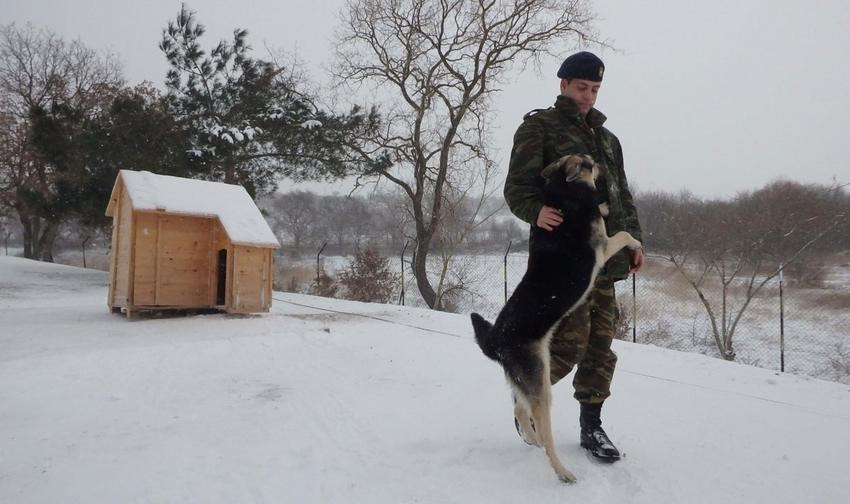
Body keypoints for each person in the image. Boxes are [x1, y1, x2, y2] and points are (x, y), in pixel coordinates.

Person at [503, 51, 643, 462]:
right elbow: (518, 188)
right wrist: (536, 211)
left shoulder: (608, 139)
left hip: (603, 258)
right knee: (570, 342)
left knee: (601, 344)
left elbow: (621, 195)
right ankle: (526, 399)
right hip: (563, 258)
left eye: (595, 89)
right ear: (563, 84)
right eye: (582, 87)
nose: (589, 96)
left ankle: (592, 426)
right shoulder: (540, 128)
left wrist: (633, 242)